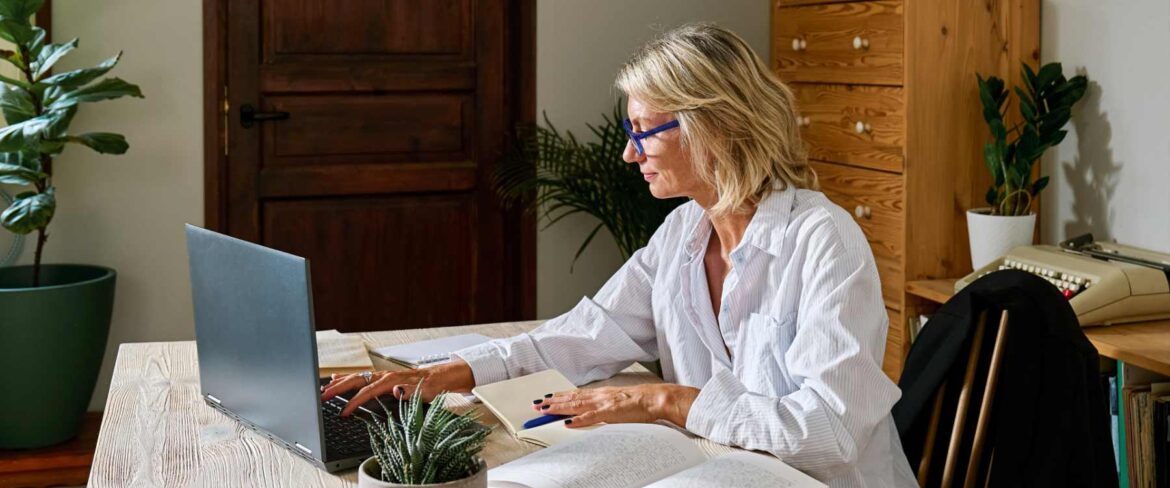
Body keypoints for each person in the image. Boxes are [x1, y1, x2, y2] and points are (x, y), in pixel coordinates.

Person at [322, 23, 916, 487]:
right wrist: (447, 373)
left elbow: (829, 431)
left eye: (643, 131)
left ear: (717, 124)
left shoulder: (824, 241)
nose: (630, 156)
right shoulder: (683, 235)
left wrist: (662, 398)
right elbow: (580, 336)